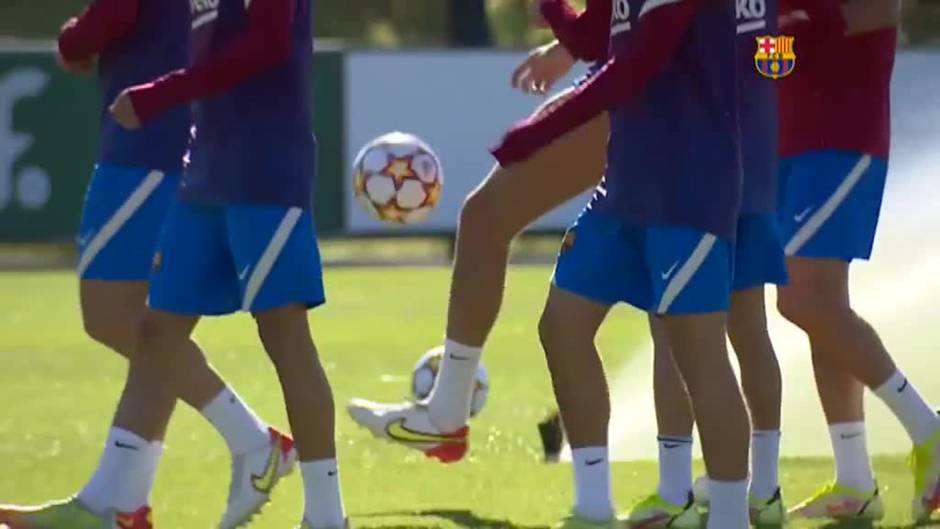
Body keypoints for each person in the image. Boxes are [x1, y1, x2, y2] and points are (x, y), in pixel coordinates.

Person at [1, 0, 349, 527]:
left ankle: (325, 517)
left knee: (284, 336)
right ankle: (111, 504)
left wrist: (160, 93)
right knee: (155, 334)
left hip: (264, 169)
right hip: (204, 171)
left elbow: (269, 43)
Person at [503, 0, 747, 526]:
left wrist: (539, 132)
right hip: (624, 191)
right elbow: (597, 41)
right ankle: (592, 507)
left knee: (698, 354)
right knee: (561, 326)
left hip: (687, 190)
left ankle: (731, 515)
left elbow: (633, 67)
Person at [347, 0, 612, 463]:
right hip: (661, 82)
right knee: (698, 302)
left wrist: (565, 25)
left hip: (655, 89)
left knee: (487, 220)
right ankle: (721, 481)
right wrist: (572, 45)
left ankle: (447, 414)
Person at [775, 0, 940, 522]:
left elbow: (871, 14)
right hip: (793, 147)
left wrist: (786, 16)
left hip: (842, 141)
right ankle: (855, 482)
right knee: (822, 307)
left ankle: (929, 430)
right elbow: (771, 62)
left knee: (800, 299)